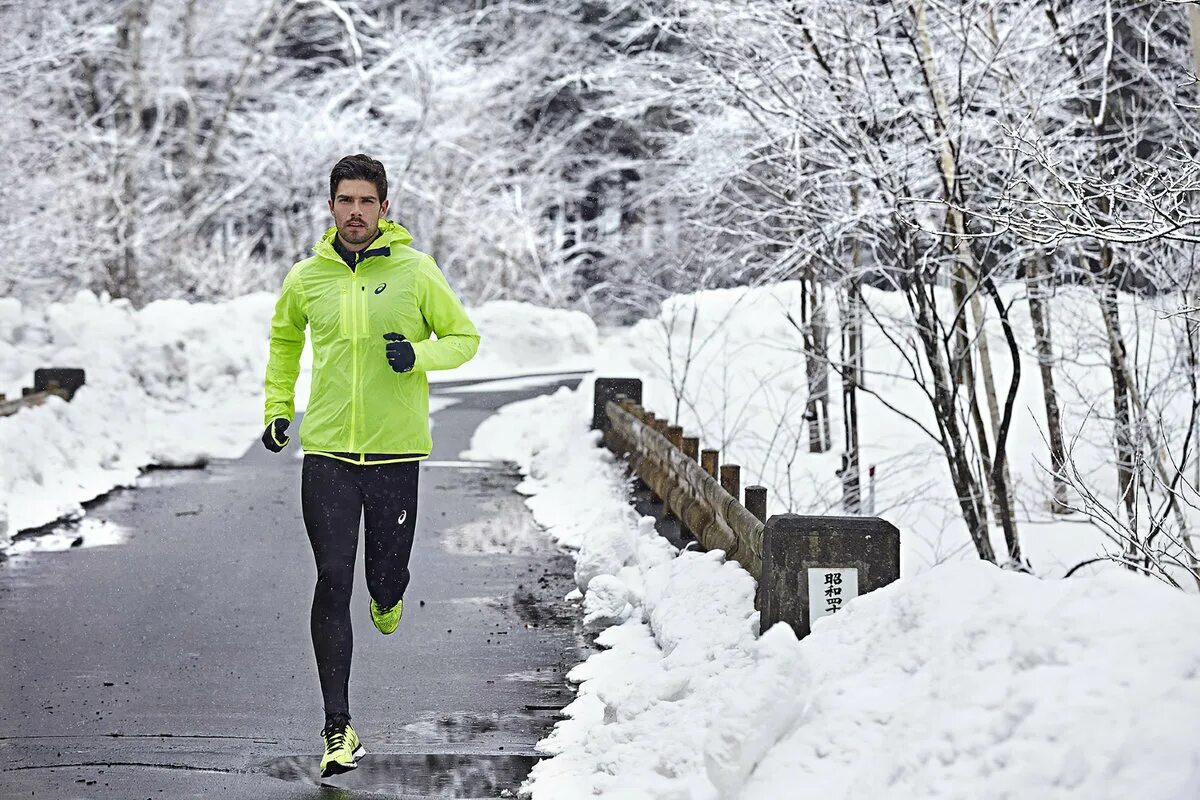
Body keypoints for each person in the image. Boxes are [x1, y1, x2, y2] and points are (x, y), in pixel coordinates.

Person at [261, 154, 480, 777]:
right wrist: (279, 407)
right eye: (345, 201)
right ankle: (338, 726)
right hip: (327, 452)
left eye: (366, 201)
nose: (355, 212)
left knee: (381, 580)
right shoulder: (307, 278)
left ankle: (390, 592)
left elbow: (464, 339)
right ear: (331, 207)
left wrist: (418, 354)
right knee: (332, 579)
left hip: (395, 454)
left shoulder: (416, 272)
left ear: (384, 208)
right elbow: (283, 343)